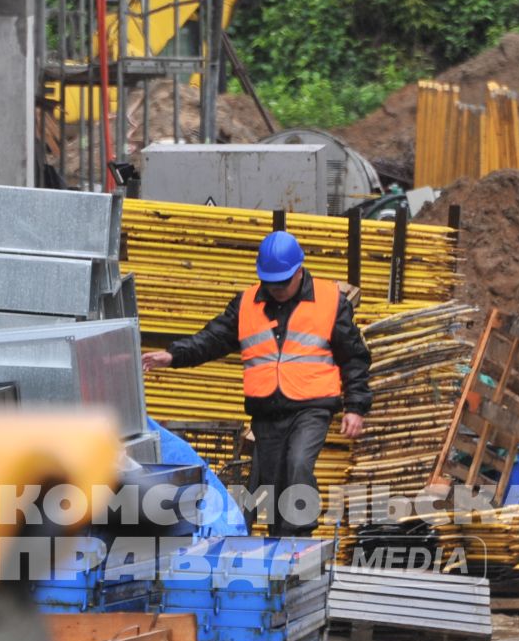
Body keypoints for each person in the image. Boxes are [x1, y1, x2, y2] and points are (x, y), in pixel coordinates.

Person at [142, 230, 371, 539]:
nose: (276, 289)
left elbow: (354, 357)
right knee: (273, 481)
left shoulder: (330, 301)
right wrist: (172, 356)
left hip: (312, 408)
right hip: (266, 412)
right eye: (270, 282)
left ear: (299, 270)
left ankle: (298, 535)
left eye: (282, 282)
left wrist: (355, 407)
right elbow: (212, 338)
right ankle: (281, 541)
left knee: (299, 462)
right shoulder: (247, 303)